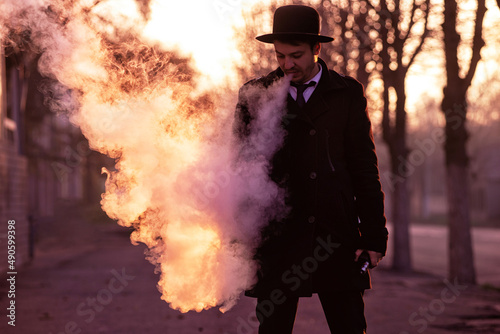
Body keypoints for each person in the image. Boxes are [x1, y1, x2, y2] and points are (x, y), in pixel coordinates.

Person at [234, 5, 388, 334]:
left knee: (349, 327)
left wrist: (374, 235)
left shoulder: (347, 94)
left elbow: (364, 167)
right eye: (279, 56)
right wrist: (238, 239)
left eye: (296, 55)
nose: (288, 65)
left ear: (317, 49)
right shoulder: (254, 96)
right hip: (278, 238)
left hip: (335, 234)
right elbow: (240, 169)